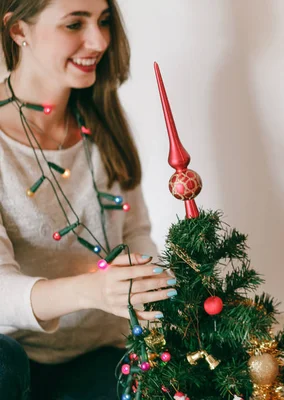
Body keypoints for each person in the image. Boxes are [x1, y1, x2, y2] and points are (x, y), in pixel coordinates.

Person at [0, 0, 177, 398]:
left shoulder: (100, 119)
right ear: (17, 31)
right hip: (12, 361)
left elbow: (135, 230)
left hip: (98, 354)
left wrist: (146, 275)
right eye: (73, 24)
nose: (98, 41)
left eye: (103, 21)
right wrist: (94, 289)